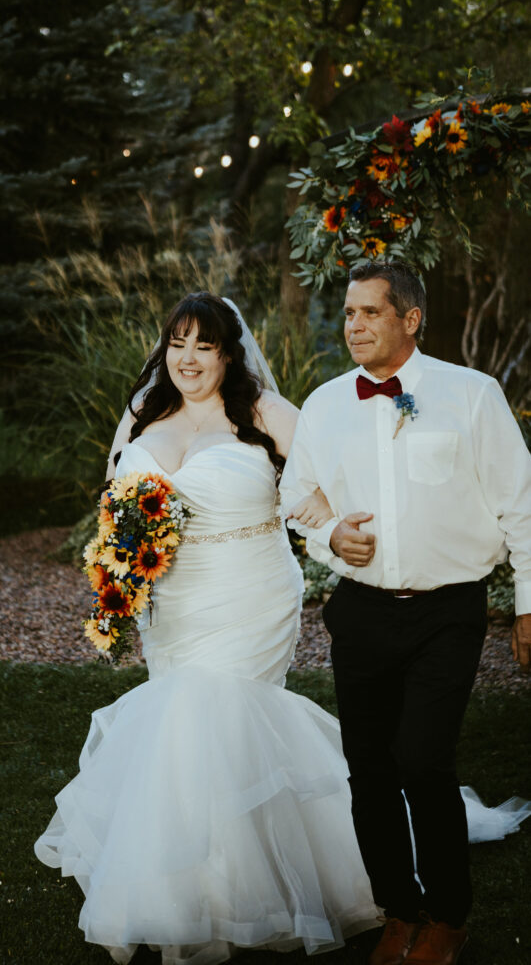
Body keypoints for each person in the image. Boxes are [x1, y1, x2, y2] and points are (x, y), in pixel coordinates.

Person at [34, 292, 382, 963]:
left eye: (204, 346)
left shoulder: (266, 413)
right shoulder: (142, 413)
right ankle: (191, 880)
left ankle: (226, 892)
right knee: (185, 734)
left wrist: (335, 528)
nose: (187, 359)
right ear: (164, 349)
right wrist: (123, 570)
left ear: (229, 353)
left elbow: (321, 493)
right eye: (177, 344)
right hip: (174, 599)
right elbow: (113, 502)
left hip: (250, 589)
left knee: (214, 716)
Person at [280, 260, 531, 965]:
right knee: (367, 771)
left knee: (422, 761)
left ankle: (448, 915)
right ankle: (399, 907)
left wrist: (528, 609)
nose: (352, 325)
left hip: (446, 612)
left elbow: (523, 507)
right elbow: (295, 497)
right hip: (358, 614)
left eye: (367, 313)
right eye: (348, 313)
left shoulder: (471, 396)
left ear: (409, 319)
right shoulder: (325, 402)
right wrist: (331, 535)